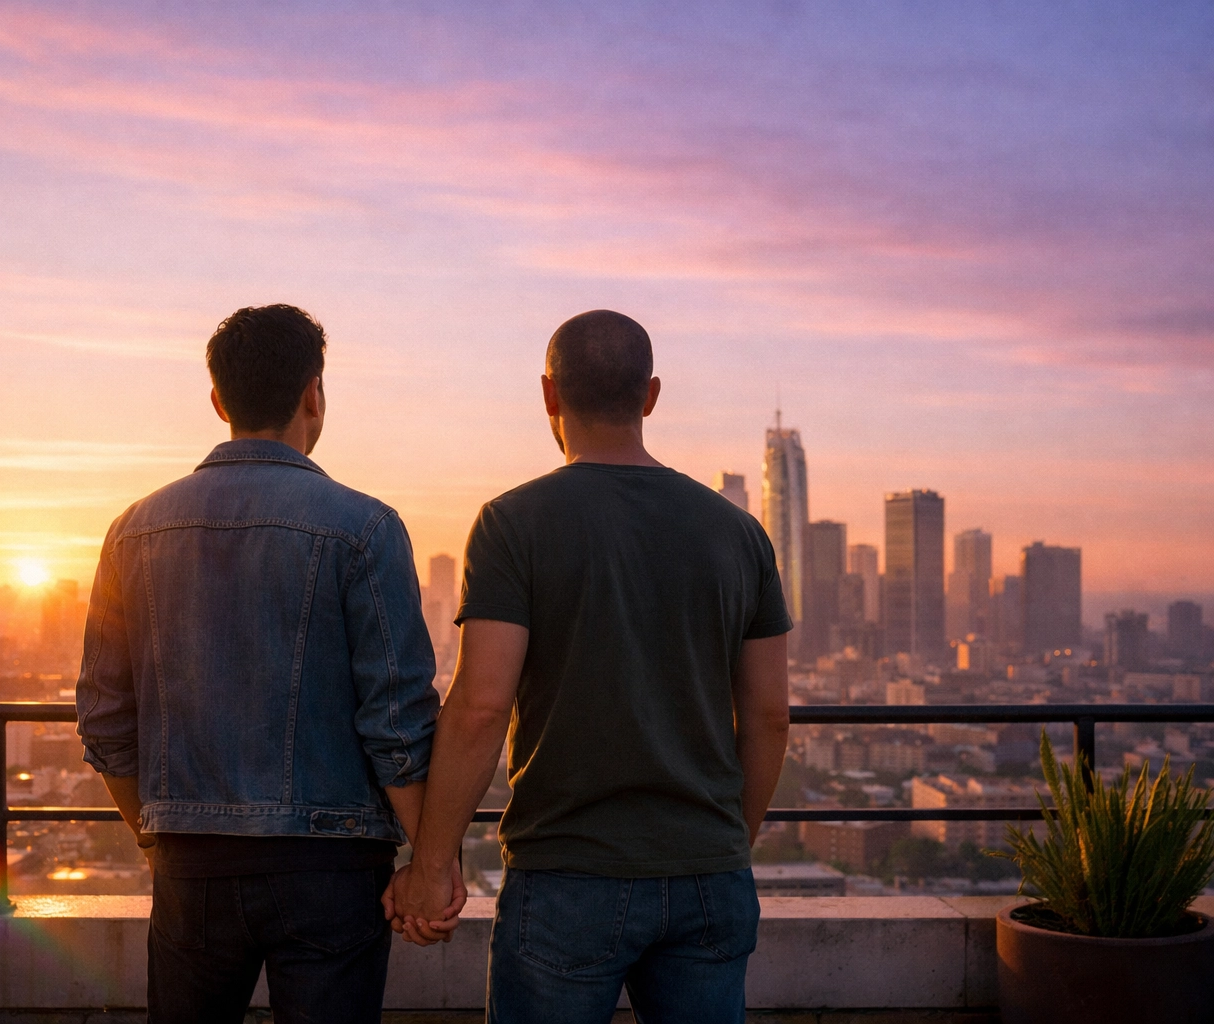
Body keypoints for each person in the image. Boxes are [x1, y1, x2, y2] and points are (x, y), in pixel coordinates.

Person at [387, 310, 793, 1024]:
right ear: (651, 395)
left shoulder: (514, 523)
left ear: (549, 394)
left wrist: (431, 865)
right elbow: (768, 715)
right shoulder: (740, 534)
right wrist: (725, 844)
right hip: (708, 871)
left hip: (567, 876)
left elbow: (481, 706)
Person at [76, 304, 460, 1023]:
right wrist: (432, 863)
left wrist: (154, 835)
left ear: (219, 401)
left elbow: (103, 719)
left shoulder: (133, 531)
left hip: (192, 863)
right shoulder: (365, 528)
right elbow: (397, 724)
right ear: (315, 393)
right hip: (334, 872)